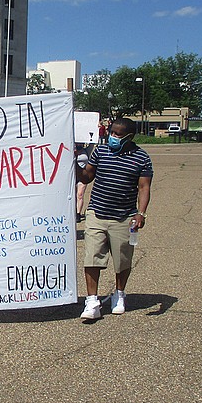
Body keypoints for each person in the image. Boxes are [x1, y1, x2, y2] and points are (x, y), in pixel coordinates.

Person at [76, 117, 152, 320]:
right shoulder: (100, 151)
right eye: (112, 132)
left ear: (130, 137)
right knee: (92, 257)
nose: (113, 137)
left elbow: (144, 187)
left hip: (124, 217)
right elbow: (87, 176)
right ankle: (92, 301)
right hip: (97, 214)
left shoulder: (141, 158)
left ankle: (119, 294)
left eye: (118, 134)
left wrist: (141, 213)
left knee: (122, 259)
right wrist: (75, 164)